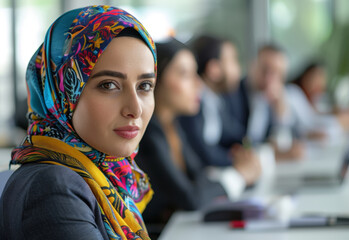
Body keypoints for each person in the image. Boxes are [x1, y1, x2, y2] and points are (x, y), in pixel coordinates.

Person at [0, 6, 157, 239]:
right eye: (108, 85)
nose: (135, 109)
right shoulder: (53, 186)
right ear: (63, 93)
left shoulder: (105, 176)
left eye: (144, 86)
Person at [137, 38, 246, 235]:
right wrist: (239, 176)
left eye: (196, 74)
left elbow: (200, 175)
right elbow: (191, 198)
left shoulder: (172, 125)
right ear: (155, 80)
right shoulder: (147, 133)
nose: (198, 84)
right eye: (185, 74)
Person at [179, 35, 261, 184]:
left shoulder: (218, 99)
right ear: (214, 69)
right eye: (233, 61)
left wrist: (247, 149)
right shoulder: (191, 104)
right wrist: (235, 160)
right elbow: (202, 152)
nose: (238, 69)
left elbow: (235, 134)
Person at [228, 44, 304, 160]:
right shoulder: (232, 93)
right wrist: (274, 154)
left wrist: (280, 114)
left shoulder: (273, 99)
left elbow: (284, 141)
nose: (270, 79)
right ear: (252, 65)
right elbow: (241, 144)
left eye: (277, 73)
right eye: (265, 70)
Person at [288, 62, 349, 140]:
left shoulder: (311, 99)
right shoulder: (293, 93)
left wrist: (334, 113)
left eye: (322, 79)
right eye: (316, 78)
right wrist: (341, 121)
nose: (320, 83)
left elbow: (313, 114)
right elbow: (310, 123)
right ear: (306, 76)